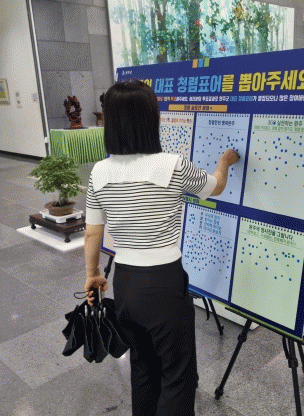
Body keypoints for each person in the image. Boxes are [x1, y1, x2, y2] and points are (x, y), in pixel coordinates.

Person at [83, 79, 239, 416]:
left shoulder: (99, 172)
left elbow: (93, 232)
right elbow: (216, 187)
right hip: (165, 283)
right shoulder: (172, 165)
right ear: (150, 119)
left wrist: (92, 274)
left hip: (125, 282)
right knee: (178, 375)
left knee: (142, 369)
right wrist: (225, 161)